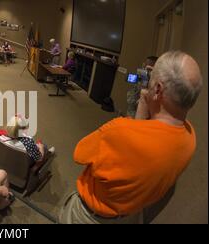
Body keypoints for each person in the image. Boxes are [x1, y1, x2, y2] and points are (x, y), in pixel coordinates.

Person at [59, 51, 203, 224]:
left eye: (152, 77)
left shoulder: (119, 131)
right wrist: (144, 107)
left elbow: (79, 153)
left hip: (89, 217)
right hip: (132, 216)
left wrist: (138, 114)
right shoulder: (190, 137)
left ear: (157, 89)